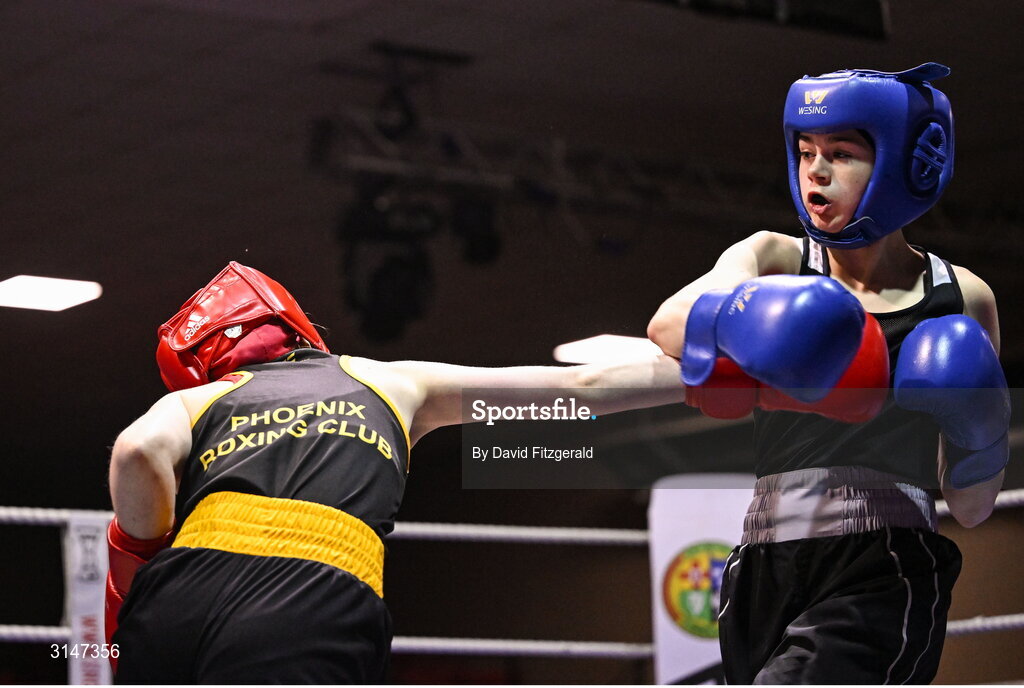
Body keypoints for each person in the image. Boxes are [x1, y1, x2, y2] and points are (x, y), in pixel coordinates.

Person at [105, 261, 685, 683]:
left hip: (173, 601)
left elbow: (136, 452)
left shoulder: (197, 403)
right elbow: (581, 387)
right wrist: (725, 372)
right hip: (304, 599)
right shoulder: (392, 381)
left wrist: (143, 557)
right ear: (298, 328)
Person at [647, 63, 1010, 684]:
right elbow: (669, 324)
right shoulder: (774, 258)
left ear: (907, 162)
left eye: (840, 153)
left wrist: (982, 430)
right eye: (806, 151)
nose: (815, 170)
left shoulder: (962, 297)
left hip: (885, 561)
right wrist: (756, 317)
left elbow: (972, 507)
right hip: (763, 557)